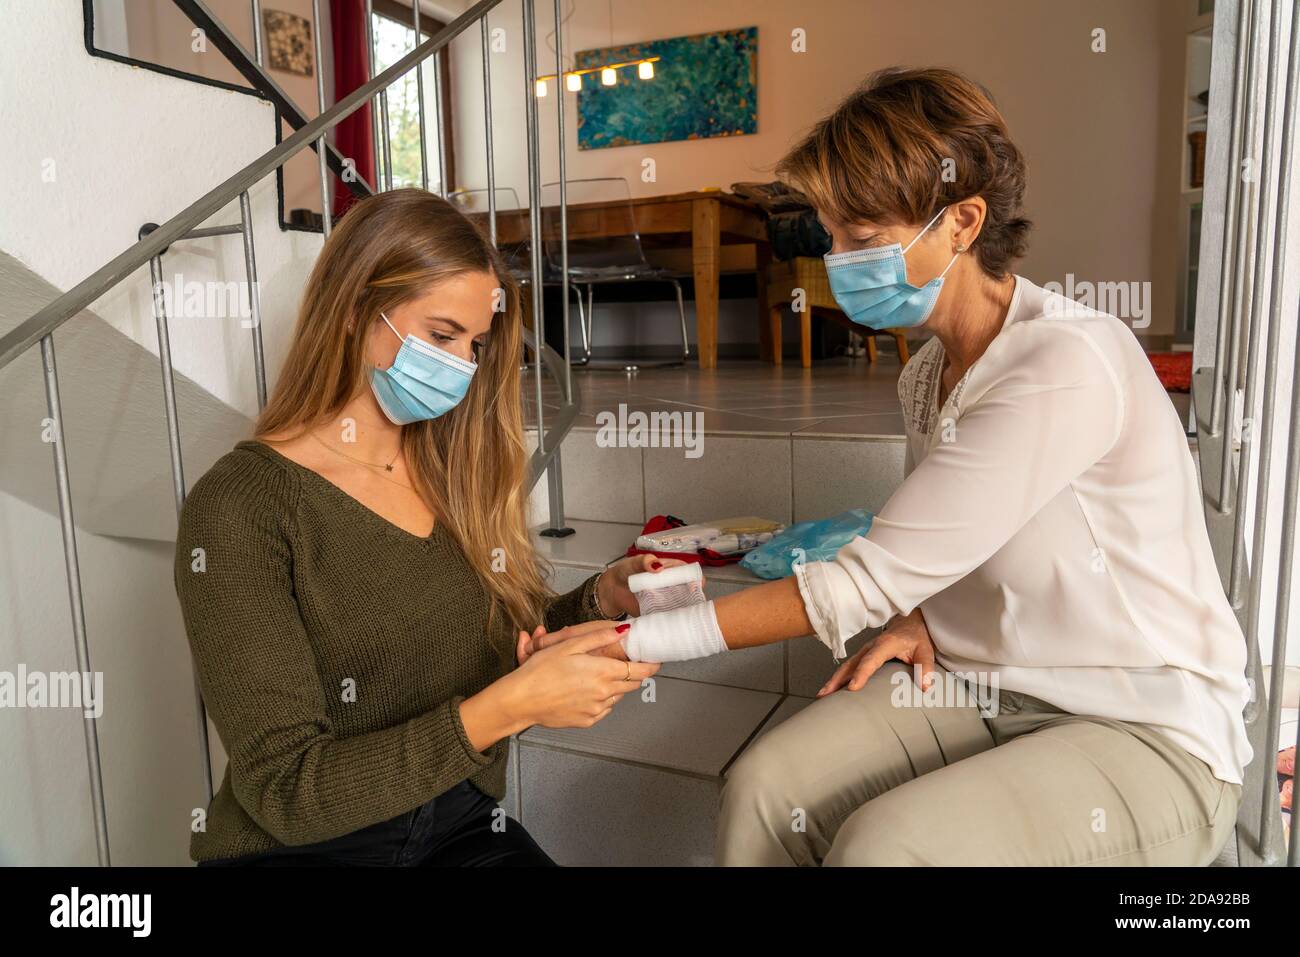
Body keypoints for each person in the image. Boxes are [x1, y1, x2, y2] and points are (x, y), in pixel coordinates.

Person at [529, 68, 1251, 867]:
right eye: (832, 236)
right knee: (766, 788)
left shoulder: (1066, 361)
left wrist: (632, 640)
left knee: (886, 849)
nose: (837, 262)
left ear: (963, 222)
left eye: (863, 239)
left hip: (1141, 720)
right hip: (981, 677)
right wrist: (923, 614)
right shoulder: (927, 373)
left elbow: (859, 583)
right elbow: (947, 541)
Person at [174, 188, 664, 866]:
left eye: (475, 344)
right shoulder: (241, 506)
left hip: (456, 821)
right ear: (352, 311)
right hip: (308, 849)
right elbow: (285, 789)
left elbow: (472, 650)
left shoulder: (445, 470)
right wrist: (509, 706)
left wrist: (598, 599)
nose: (462, 366)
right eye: (441, 335)